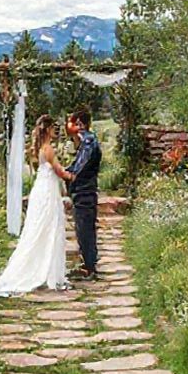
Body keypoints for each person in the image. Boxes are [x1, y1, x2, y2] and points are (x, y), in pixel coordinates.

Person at [0, 115, 75, 296]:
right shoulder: (48, 149)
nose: (56, 131)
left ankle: (41, 266)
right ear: (48, 129)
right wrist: (71, 176)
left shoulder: (36, 149)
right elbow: (59, 171)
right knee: (50, 226)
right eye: (53, 128)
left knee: (39, 227)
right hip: (48, 191)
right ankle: (47, 270)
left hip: (41, 188)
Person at [65, 108, 101, 280]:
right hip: (83, 190)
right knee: (83, 228)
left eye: (77, 124)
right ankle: (88, 263)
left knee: (84, 228)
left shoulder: (88, 142)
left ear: (83, 124)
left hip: (85, 190)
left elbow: (80, 167)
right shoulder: (84, 142)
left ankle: (90, 266)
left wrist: (69, 176)